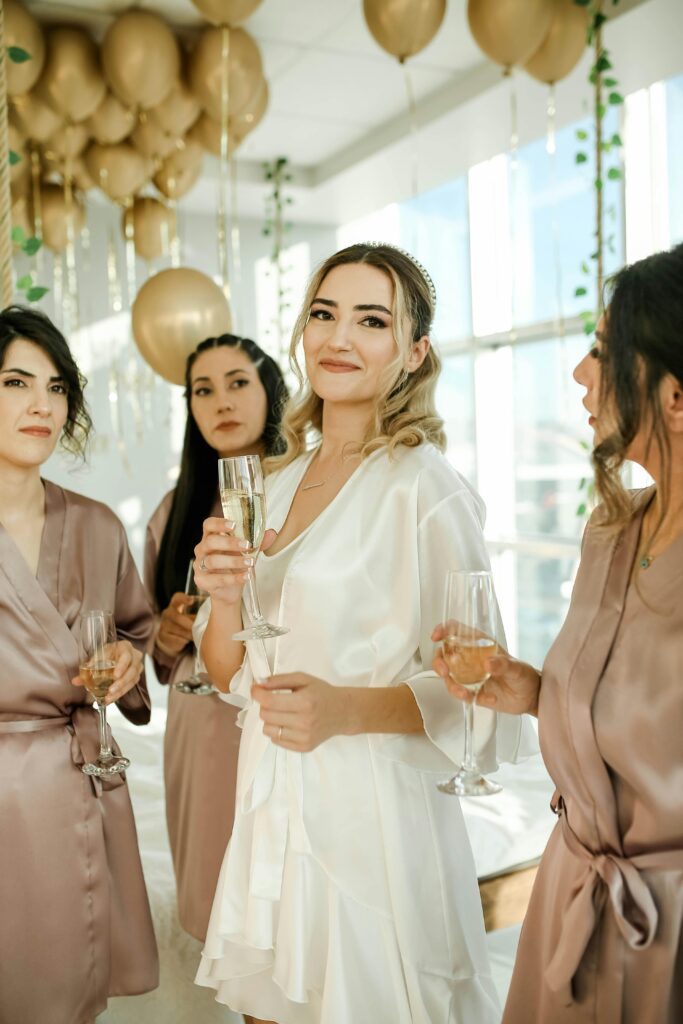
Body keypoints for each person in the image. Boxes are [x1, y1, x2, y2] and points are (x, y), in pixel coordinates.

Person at [192, 243, 534, 1024]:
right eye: (323, 313)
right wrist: (219, 597)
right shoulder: (271, 483)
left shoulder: (424, 487)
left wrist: (346, 711)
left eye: (369, 321)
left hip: (373, 820)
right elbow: (225, 673)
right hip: (270, 806)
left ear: (413, 353)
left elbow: (481, 692)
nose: (338, 338)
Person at [435, 243, 683, 1024]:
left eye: (603, 353)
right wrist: (532, 691)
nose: (579, 374)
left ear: (674, 396)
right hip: (571, 896)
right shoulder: (609, 532)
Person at [0, 306, 158, 1023]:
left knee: (66, 996)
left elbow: (136, 630)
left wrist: (128, 659)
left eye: (57, 387)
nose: (43, 405)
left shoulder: (96, 524)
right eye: (16, 383)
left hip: (77, 782)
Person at [145, 333, 288, 942]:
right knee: (214, 890)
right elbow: (154, 646)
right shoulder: (174, 509)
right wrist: (168, 633)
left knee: (284, 904)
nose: (221, 402)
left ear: (271, 391)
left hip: (274, 706)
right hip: (199, 719)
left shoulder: (301, 493)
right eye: (203, 390)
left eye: (238, 382)